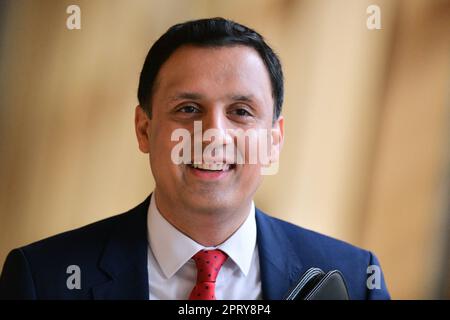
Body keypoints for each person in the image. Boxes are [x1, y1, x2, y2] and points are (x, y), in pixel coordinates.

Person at [0, 17, 390, 300]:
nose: (214, 134)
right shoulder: (44, 279)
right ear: (144, 129)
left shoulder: (355, 281)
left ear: (274, 140)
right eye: (188, 108)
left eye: (240, 111)